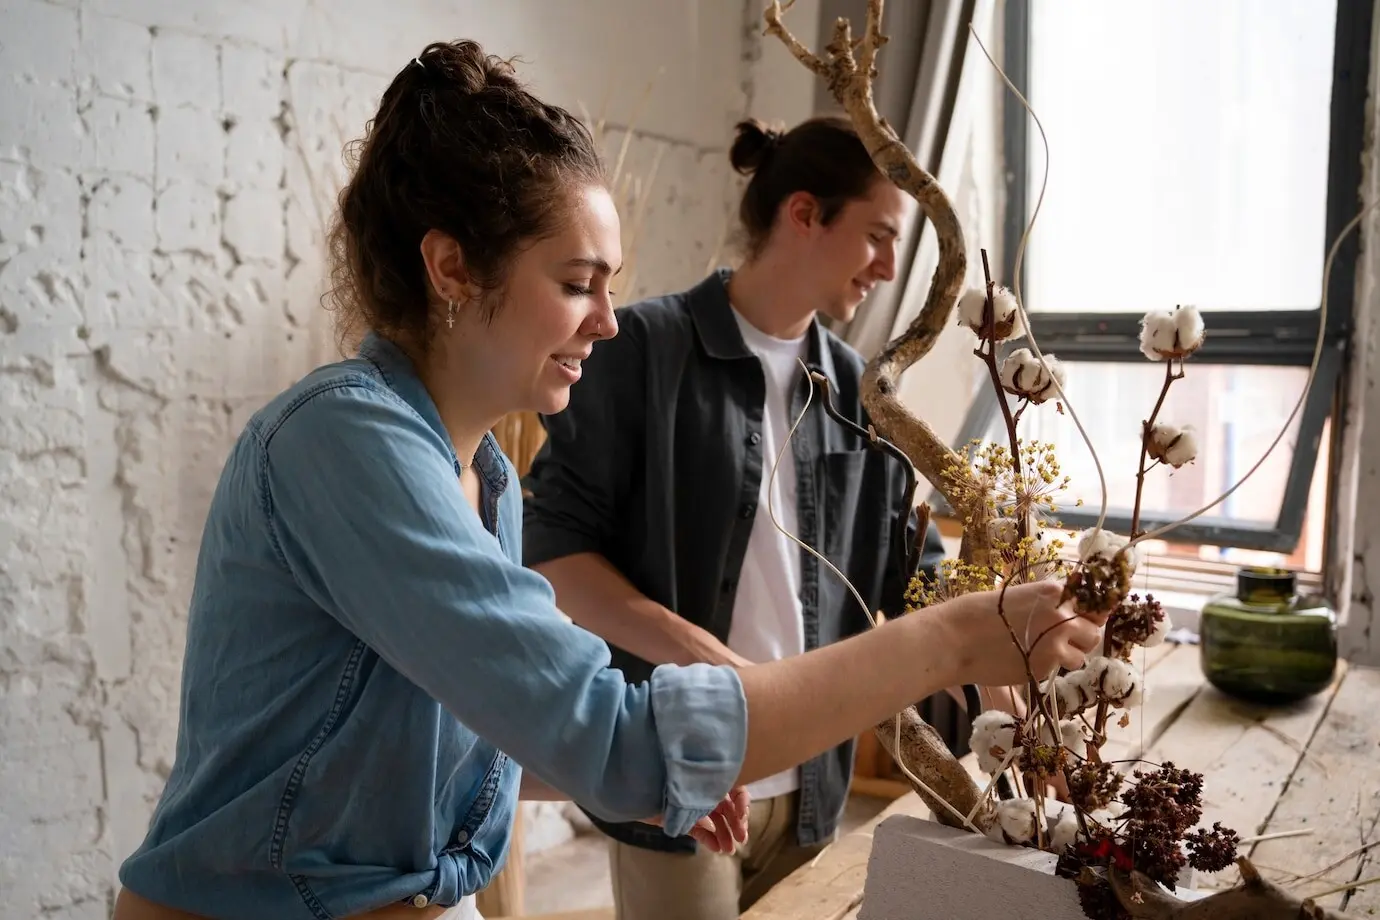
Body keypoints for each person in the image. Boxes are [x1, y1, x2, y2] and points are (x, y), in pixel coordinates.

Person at [110, 41, 1107, 920]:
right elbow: (614, 732)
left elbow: (457, 732)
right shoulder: (345, 442)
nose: (607, 321)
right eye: (578, 282)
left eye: (613, 286)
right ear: (453, 268)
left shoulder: (488, 479)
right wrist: (942, 641)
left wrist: (634, 779)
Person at [520, 115, 1024, 920]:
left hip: (814, 781)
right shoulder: (641, 350)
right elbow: (550, 552)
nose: (890, 268)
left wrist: (1001, 657)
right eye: (877, 235)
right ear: (803, 214)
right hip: (676, 776)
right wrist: (713, 664)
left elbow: (913, 567)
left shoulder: (864, 392)